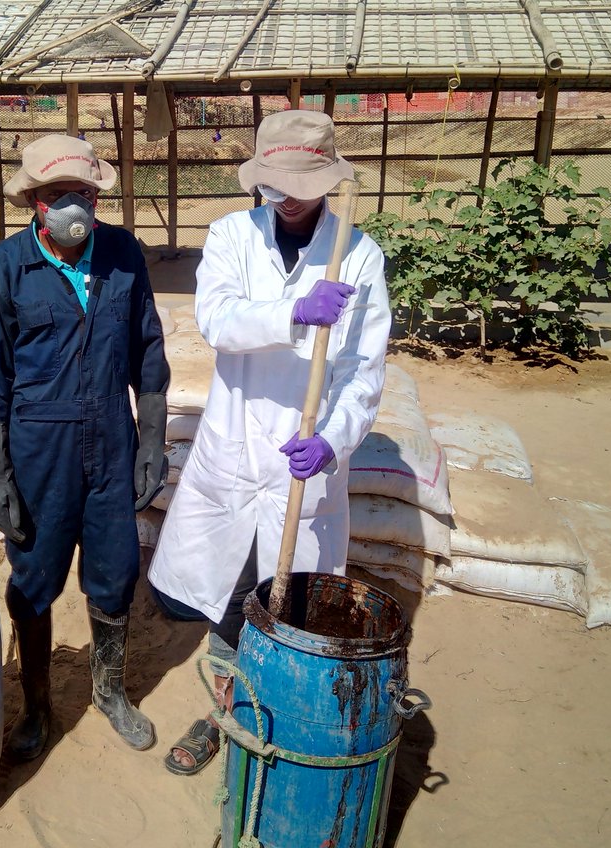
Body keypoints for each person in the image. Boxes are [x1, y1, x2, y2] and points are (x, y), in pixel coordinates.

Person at [148, 110, 391, 775]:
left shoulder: (358, 256)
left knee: (291, 603)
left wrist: (333, 441)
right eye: (272, 182)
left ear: (328, 180)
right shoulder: (230, 236)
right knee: (229, 600)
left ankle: (275, 719)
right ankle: (223, 714)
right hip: (234, 455)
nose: (284, 196)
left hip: (303, 460)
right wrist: (292, 312)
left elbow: (363, 372)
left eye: (298, 183)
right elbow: (217, 321)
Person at [0, 134, 170, 760]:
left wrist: (152, 440)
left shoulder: (123, 255)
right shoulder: (7, 266)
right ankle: (36, 707)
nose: (75, 208)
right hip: (39, 449)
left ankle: (109, 691)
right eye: (59, 196)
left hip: (111, 439)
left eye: (83, 194)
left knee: (114, 573)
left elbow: (149, 354)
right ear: (33, 201)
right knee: (33, 577)